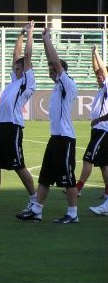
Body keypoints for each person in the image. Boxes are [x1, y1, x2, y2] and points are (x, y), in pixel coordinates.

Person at [16, 27, 79, 223]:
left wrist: (48, 40)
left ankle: (72, 214)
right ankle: (37, 210)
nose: (51, 72)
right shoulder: (57, 86)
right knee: (44, 177)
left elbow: (55, 62)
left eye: (54, 70)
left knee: (68, 178)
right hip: (56, 138)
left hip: (65, 138)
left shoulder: (67, 84)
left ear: (61, 71)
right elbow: (53, 62)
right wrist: (44, 41)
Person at [0, 21, 36, 212]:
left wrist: (30, 33)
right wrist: (20, 33)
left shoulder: (27, 82)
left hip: (13, 126)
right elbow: (16, 55)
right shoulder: (14, 81)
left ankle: (35, 199)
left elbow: (26, 56)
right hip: (2, 126)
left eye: (19, 69)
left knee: (19, 166)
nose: (15, 70)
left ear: (25, 70)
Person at [84, 46, 108, 215]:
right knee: (103, 164)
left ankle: (77, 188)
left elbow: (103, 72)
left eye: (100, 76)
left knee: (89, 158)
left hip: (103, 129)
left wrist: (98, 54)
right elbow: (97, 69)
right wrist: (93, 54)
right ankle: (107, 193)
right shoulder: (102, 89)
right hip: (98, 129)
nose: (97, 78)